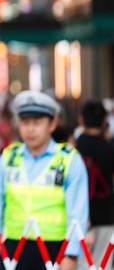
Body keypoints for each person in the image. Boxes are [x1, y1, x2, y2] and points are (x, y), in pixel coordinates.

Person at [0, 90, 89, 270]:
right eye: (25, 122)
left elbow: (78, 211)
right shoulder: (9, 158)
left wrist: (71, 254)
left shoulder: (68, 160)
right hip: (12, 246)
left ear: (52, 124)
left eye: (37, 123)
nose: (30, 129)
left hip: (55, 247)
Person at [76, 100, 114, 270]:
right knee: (103, 264)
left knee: (82, 264)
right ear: (104, 120)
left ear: (81, 120)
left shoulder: (74, 148)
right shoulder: (109, 148)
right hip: (107, 213)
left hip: (80, 216)